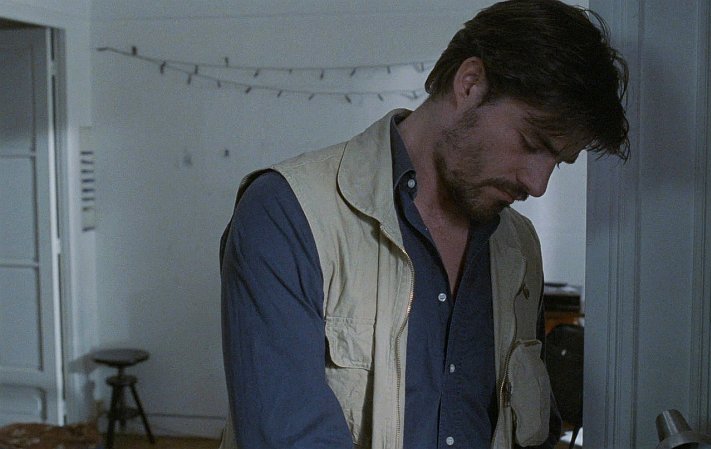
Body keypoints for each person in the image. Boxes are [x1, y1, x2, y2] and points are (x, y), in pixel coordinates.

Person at [218, 1, 629, 448]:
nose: (538, 183)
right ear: (470, 84)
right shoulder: (286, 212)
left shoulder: (519, 246)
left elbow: (531, 432)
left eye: (559, 162)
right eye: (531, 143)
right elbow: (289, 436)